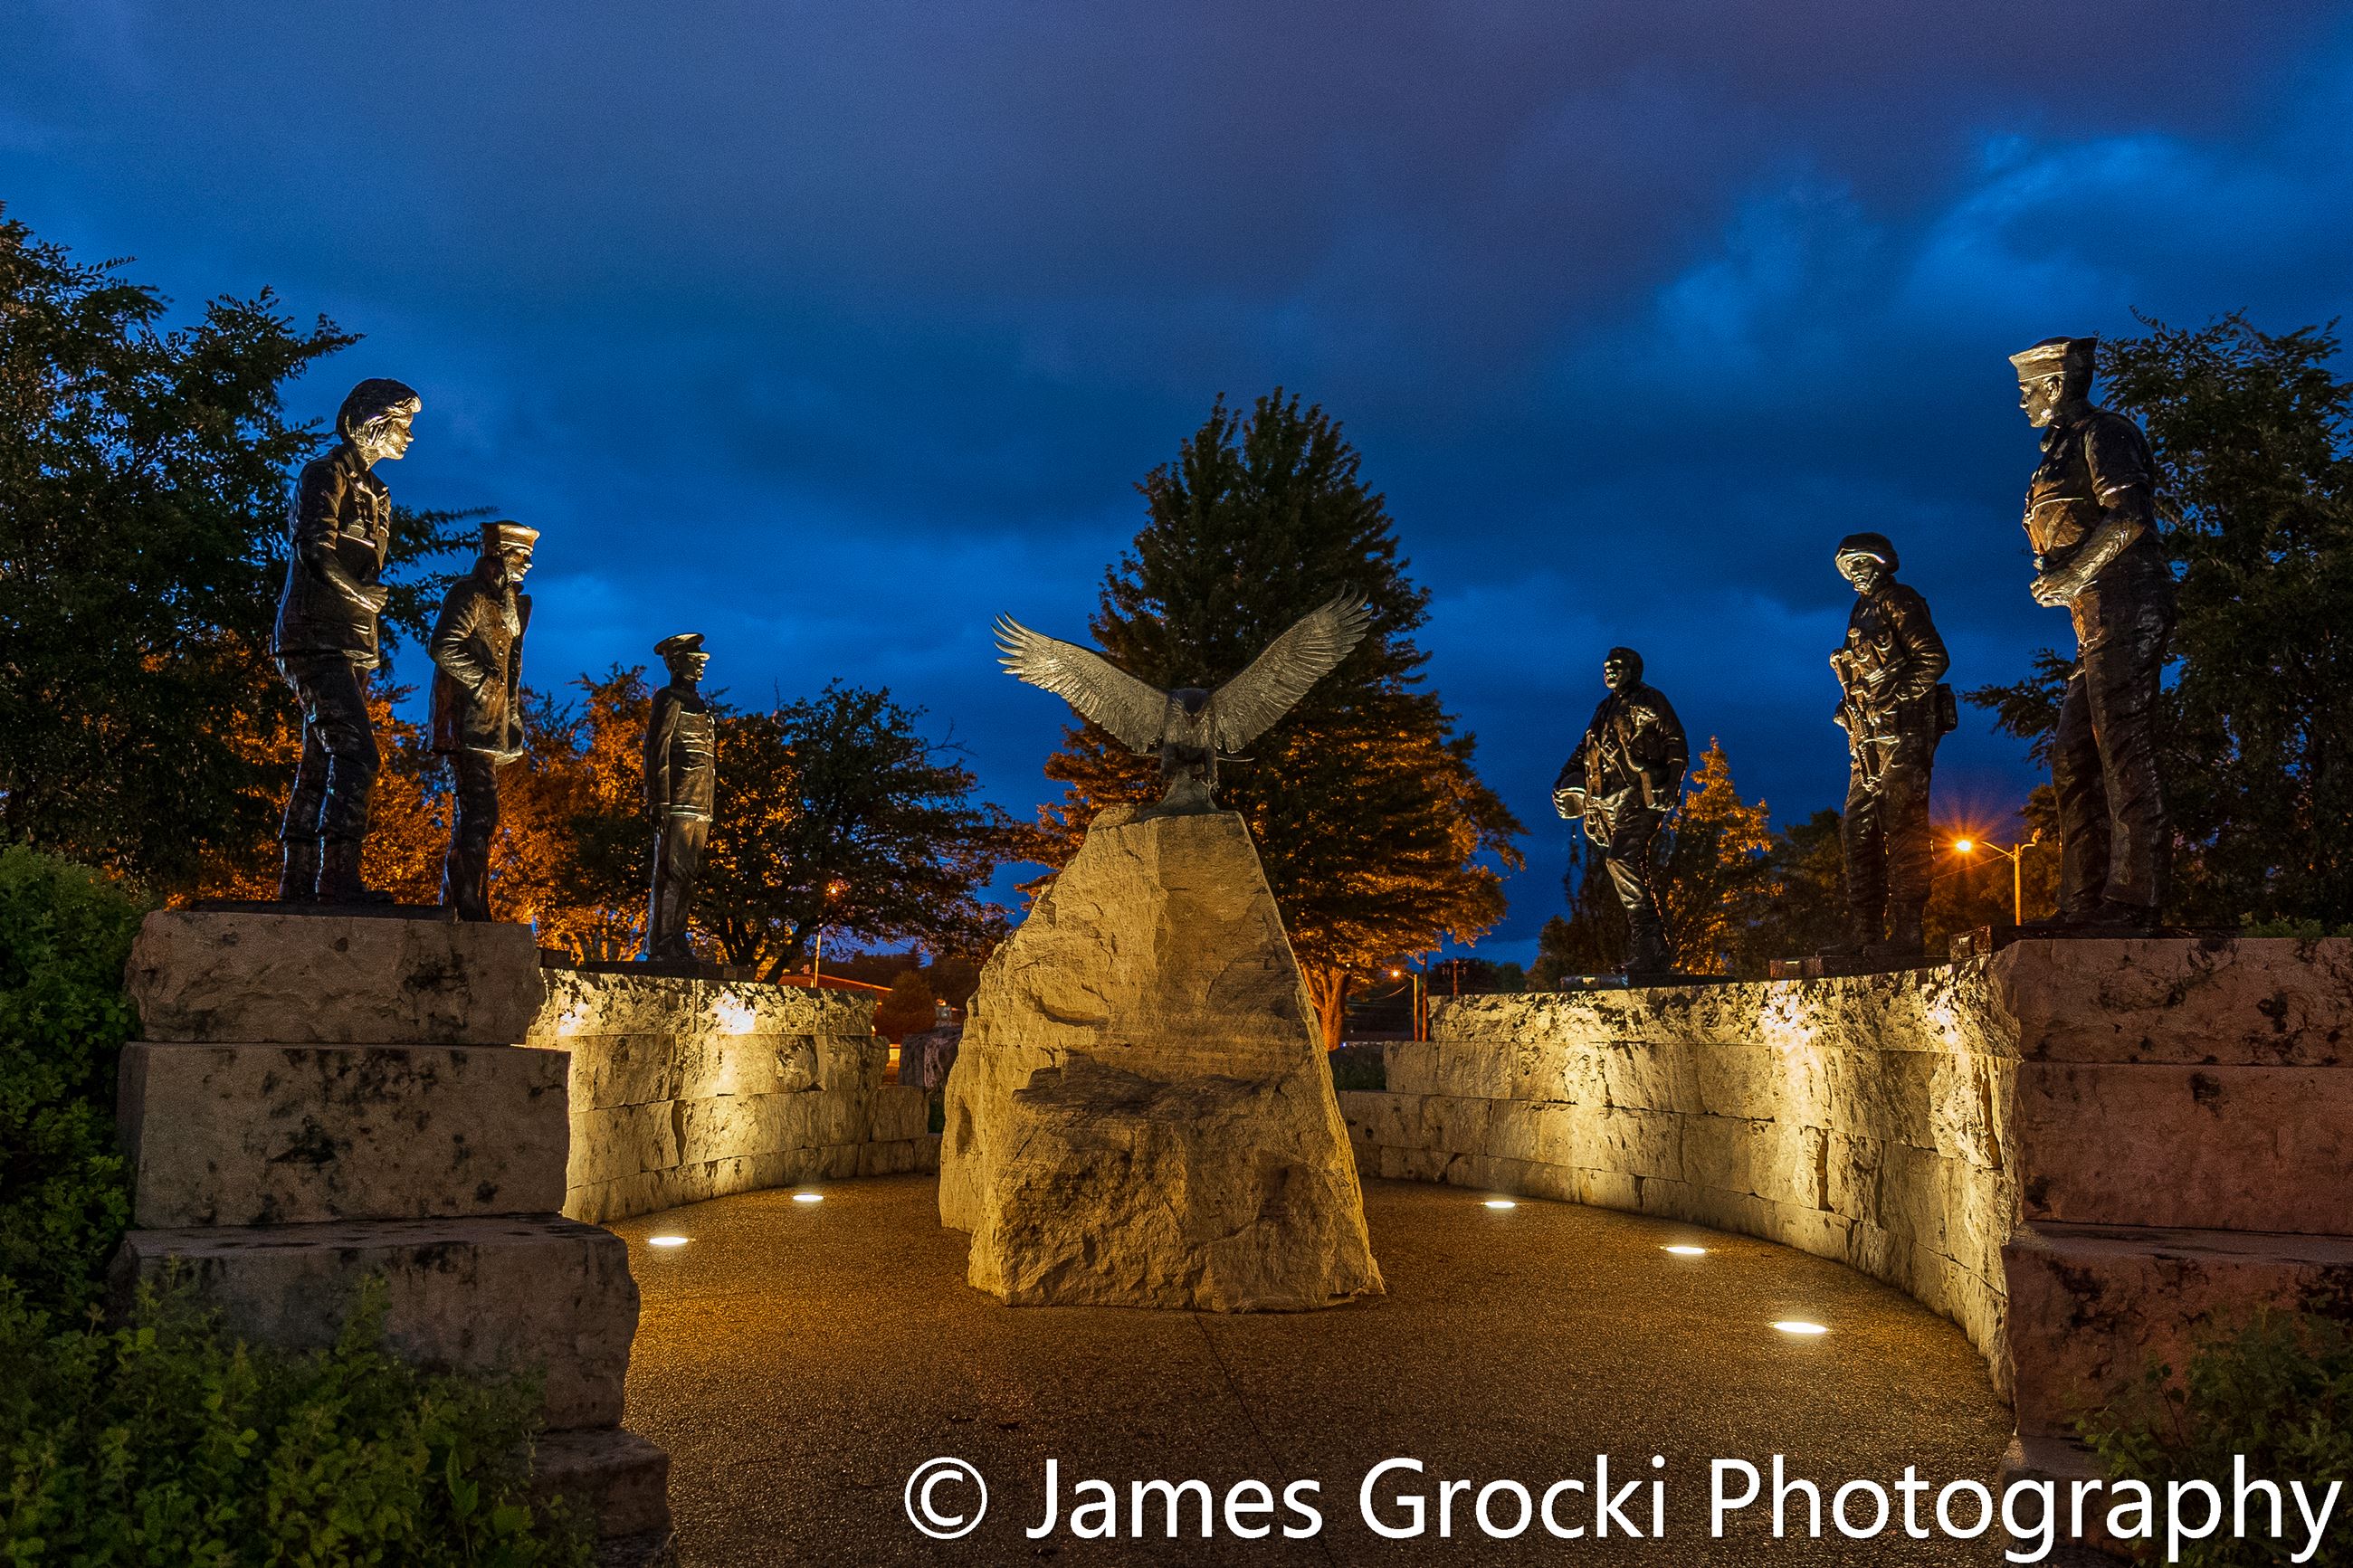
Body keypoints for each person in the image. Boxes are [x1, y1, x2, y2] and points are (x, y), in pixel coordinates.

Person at [2012, 335, 2176, 931]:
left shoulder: (2104, 433)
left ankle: (2136, 900)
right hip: (2092, 619)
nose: (2023, 402)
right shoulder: (2055, 454)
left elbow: (2131, 515)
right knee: (2071, 756)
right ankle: (2082, 902)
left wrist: (2075, 570)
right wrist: (2059, 575)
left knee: (2122, 746)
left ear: (2057, 385)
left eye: (2030, 389)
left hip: (2128, 603)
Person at [272, 377, 418, 902]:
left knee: (321, 756)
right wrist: (359, 594)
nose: (409, 436)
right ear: (374, 422)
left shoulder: (379, 493)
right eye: (402, 424)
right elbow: (315, 549)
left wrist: (362, 605)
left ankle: (298, 878)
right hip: (314, 636)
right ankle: (336, 877)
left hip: (352, 641)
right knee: (357, 754)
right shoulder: (325, 474)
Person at [1825, 533, 1952, 957]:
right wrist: (1852, 709)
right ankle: (1865, 932)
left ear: (1884, 562)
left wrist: (1890, 701)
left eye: (1862, 562)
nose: (1855, 572)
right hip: (1867, 739)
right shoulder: (1860, 610)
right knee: (1856, 829)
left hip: (1903, 732)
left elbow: (1932, 659)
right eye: (1848, 566)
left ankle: (1908, 932)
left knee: (1903, 828)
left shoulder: (1900, 599)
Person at [1553, 647, 1689, 977]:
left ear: (1633, 669)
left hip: (1640, 794)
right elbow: (1584, 749)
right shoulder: (1604, 708)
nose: (1609, 671)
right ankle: (1650, 946)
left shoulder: (1650, 699)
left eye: (1616, 666)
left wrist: (1670, 784)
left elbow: (1675, 742)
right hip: (1607, 802)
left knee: (1621, 859)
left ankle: (1650, 939)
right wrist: (1561, 783)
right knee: (1626, 865)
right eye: (1605, 666)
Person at [428, 520, 538, 921]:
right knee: (481, 813)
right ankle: (467, 903)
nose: (526, 564)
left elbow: (512, 668)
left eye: (529, 557)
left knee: (477, 816)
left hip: (493, 725)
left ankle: (462, 902)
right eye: (520, 556)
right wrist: (484, 681)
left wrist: (510, 714)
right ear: (498, 554)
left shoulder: (512, 603)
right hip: (467, 722)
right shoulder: (468, 594)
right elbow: (443, 646)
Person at [643, 632, 717, 960]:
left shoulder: (699, 703)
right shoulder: (668, 698)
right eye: (694, 659)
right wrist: (659, 800)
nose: (700, 664)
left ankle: (678, 937)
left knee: (687, 875)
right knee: (671, 872)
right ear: (675, 662)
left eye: (701, 660)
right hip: (678, 799)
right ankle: (662, 940)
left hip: (700, 802)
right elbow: (656, 751)